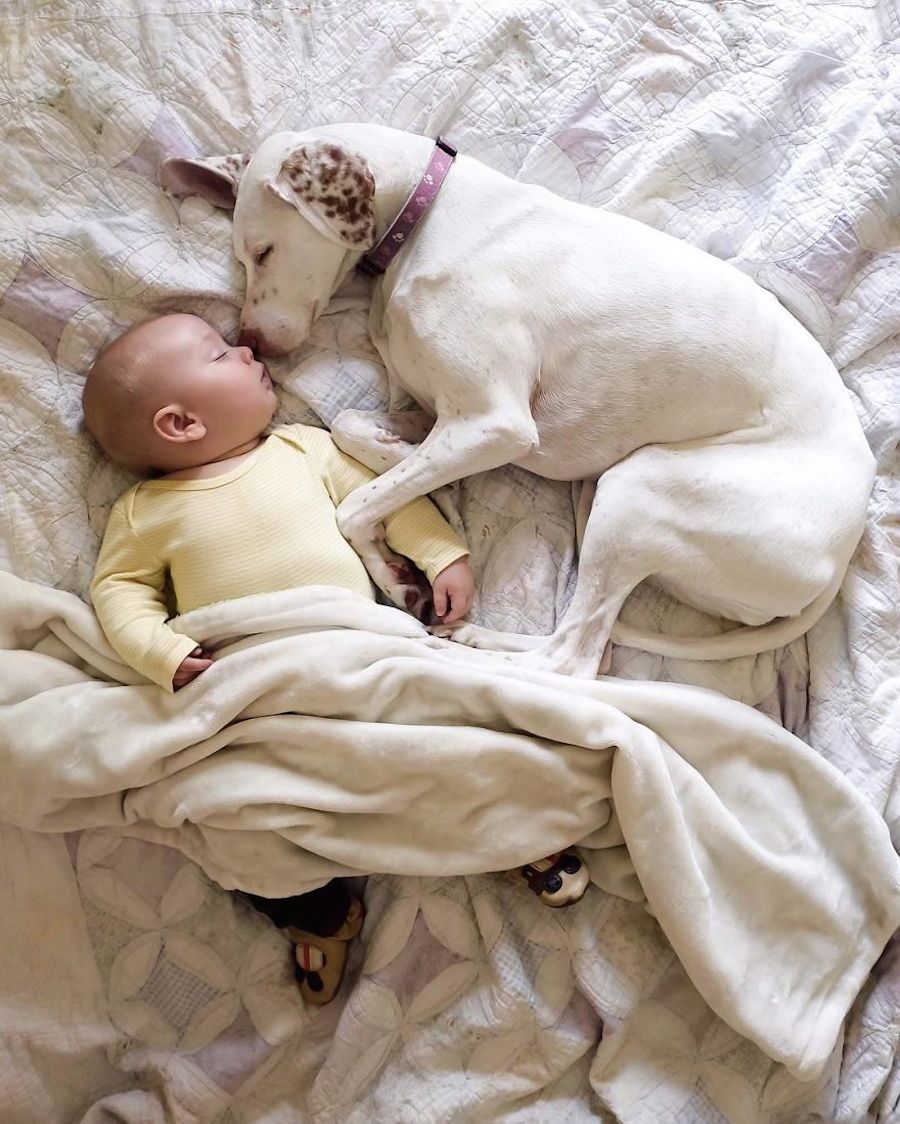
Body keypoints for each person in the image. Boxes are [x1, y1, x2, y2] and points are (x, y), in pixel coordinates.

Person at [82, 312, 587, 1004]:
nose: (247, 349)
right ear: (181, 423)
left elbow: (389, 502)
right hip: (248, 680)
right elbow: (119, 592)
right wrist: (159, 650)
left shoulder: (306, 449)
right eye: (220, 354)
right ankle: (312, 912)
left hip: (351, 647)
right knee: (232, 810)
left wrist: (440, 554)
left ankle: (514, 834)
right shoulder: (145, 511)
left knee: (436, 734)